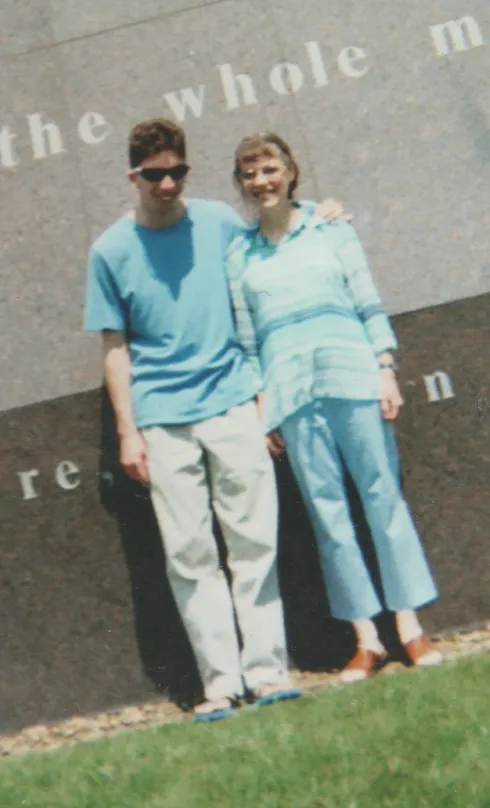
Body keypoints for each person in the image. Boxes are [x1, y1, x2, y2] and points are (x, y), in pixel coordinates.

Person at [84, 118, 343, 721]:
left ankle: (269, 670)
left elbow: (275, 245)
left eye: (177, 171)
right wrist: (128, 431)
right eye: (156, 175)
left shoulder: (222, 224)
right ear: (134, 177)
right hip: (162, 422)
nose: (169, 184)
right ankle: (221, 684)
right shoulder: (109, 251)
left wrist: (326, 218)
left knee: (253, 544)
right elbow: (114, 347)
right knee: (190, 556)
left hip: (232, 405)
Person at [227, 132, 443, 683]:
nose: (262, 181)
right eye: (251, 173)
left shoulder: (332, 229)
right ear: (242, 185)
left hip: (353, 378)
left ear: (290, 171)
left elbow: (367, 301)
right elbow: (249, 345)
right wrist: (262, 408)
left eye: (270, 168)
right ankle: (366, 640)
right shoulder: (239, 257)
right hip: (292, 396)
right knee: (328, 515)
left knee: (382, 497)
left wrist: (385, 367)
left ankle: (410, 629)